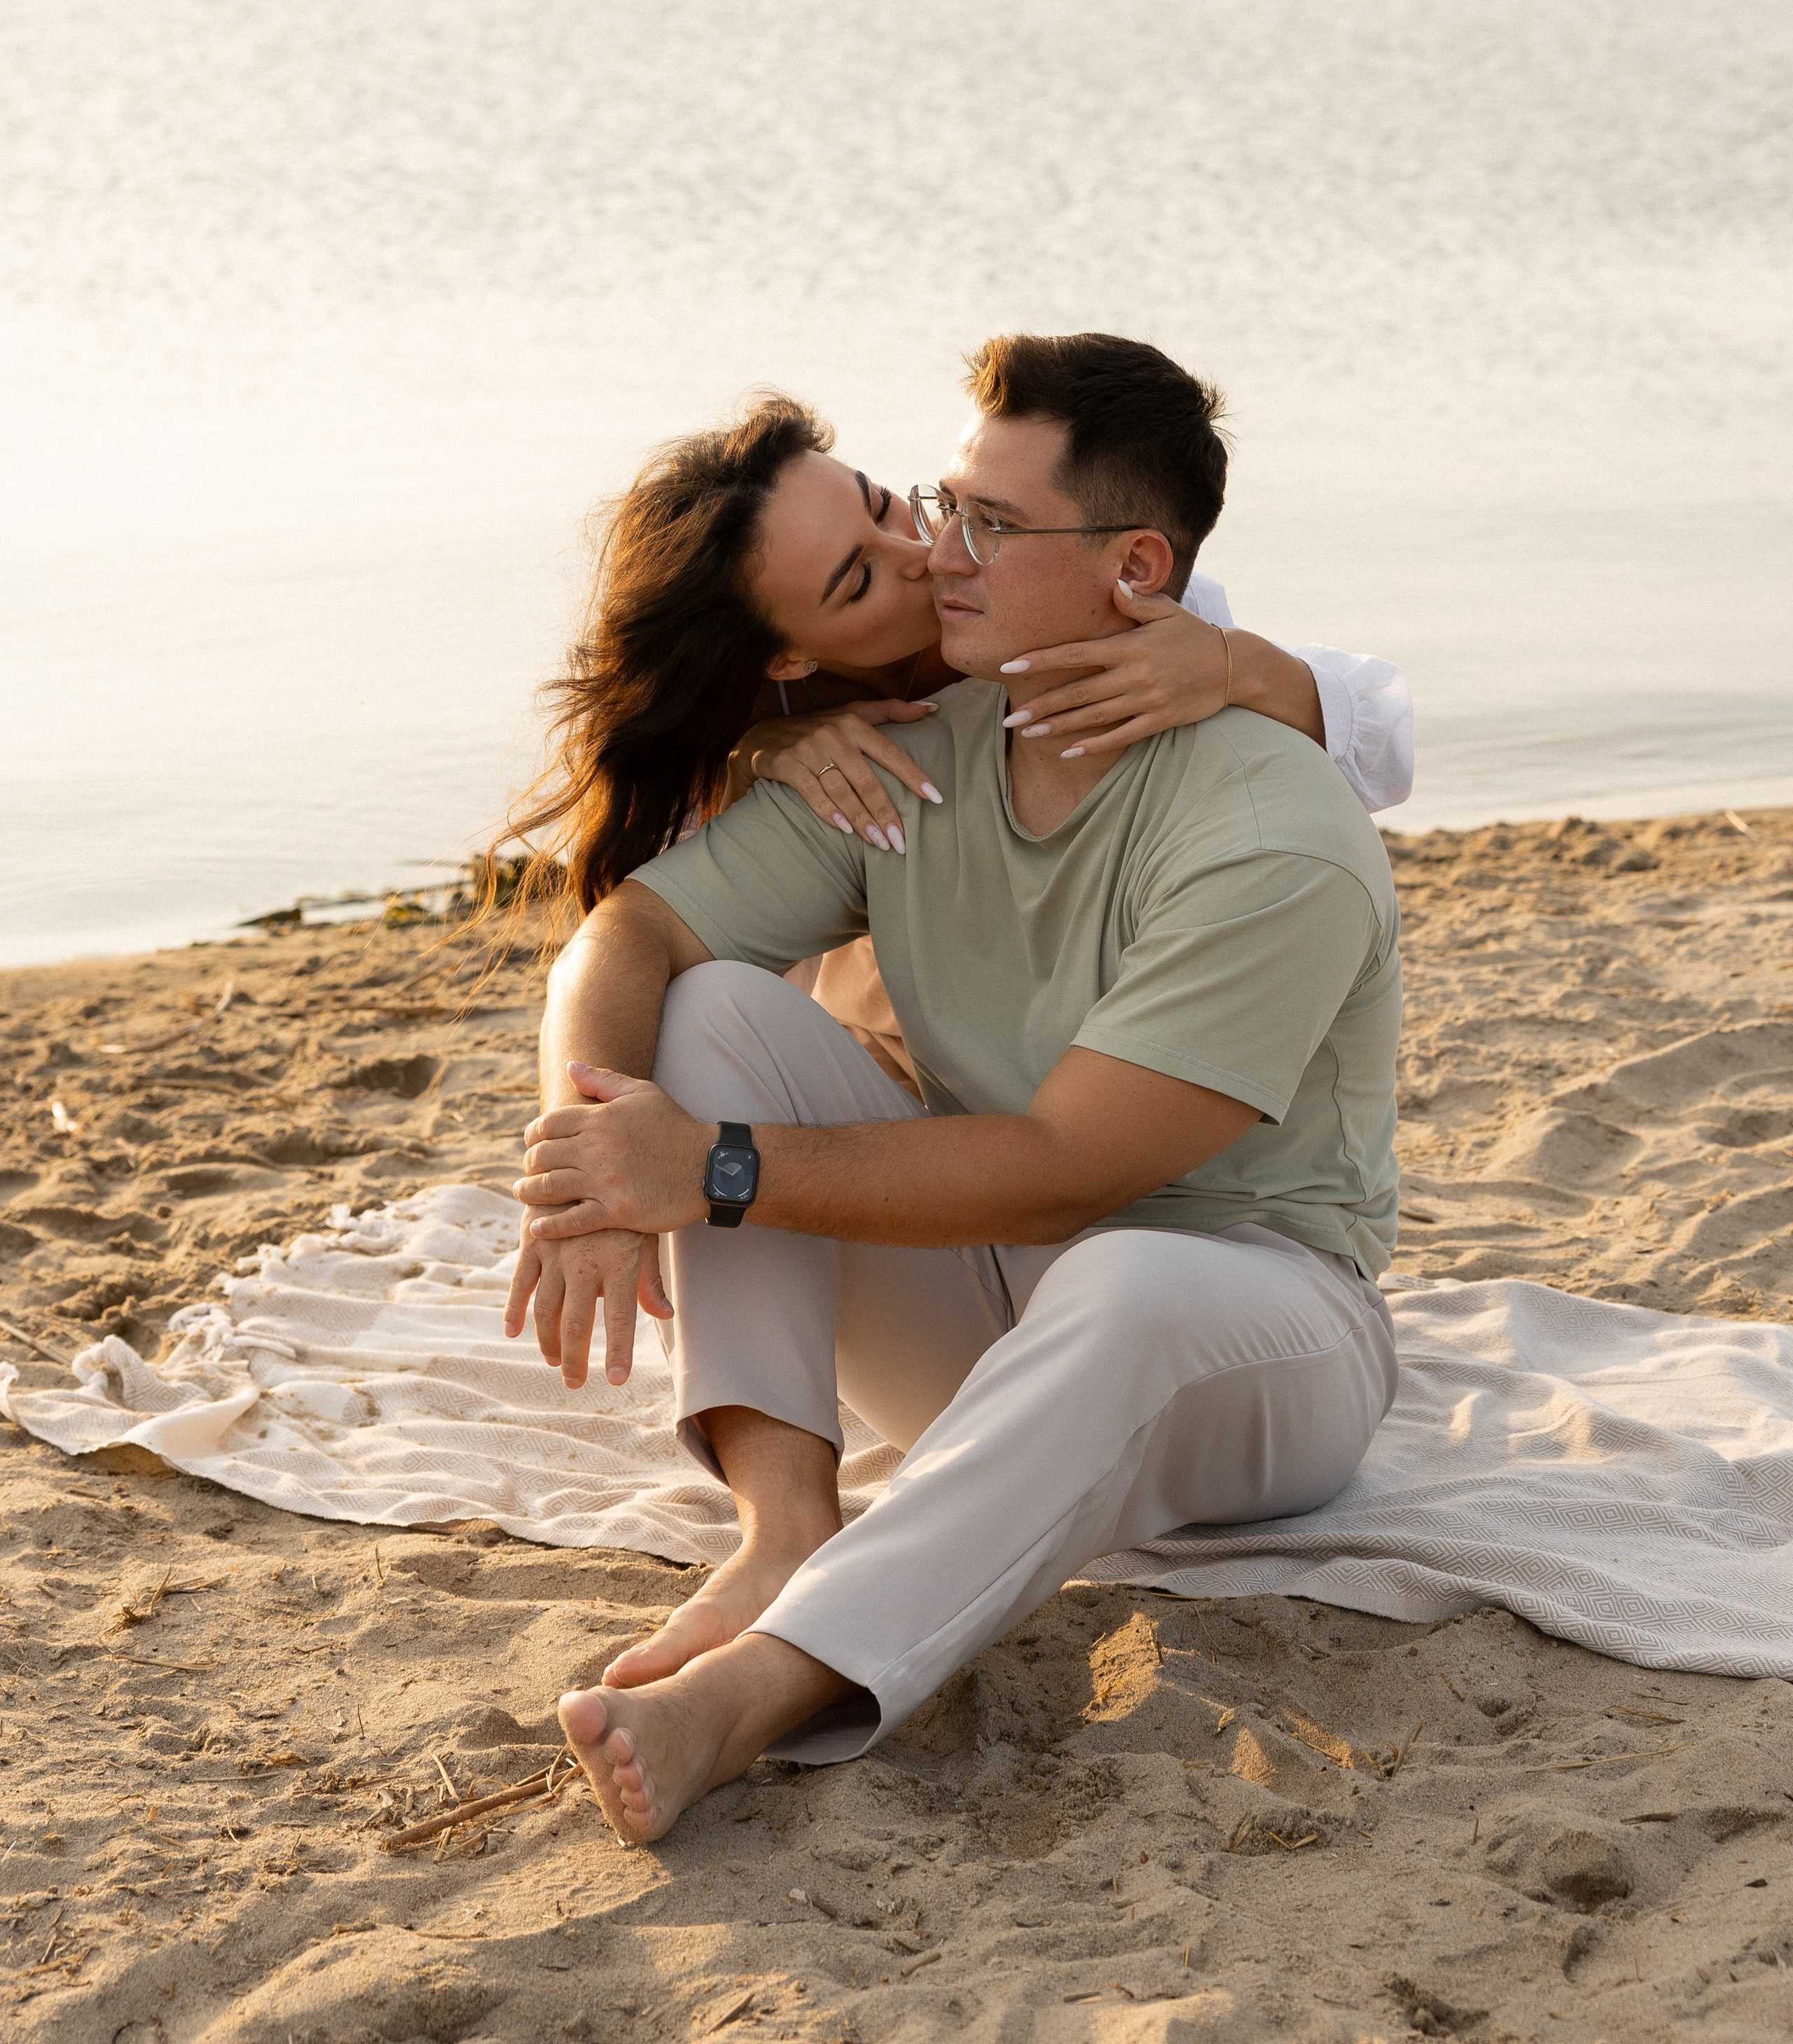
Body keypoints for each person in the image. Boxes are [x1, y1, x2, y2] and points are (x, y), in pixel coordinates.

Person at [506, 333, 1403, 1846]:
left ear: (1132, 571)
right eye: (938, 505)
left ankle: (754, 1697)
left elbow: (1071, 1167)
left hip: (1258, 1336)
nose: (936, 550)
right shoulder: (894, 756)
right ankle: (781, 1523)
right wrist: (592, 1165)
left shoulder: (1270, 821)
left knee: (1120, 1280)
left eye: (984, 524)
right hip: (988, 1305)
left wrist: (708, 1171)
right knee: (717, 1004)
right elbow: (633, 932)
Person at [502, 383, 1411, 1097]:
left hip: (1109, 1072)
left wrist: (1233, 667)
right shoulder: (773, 731)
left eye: (888, 505)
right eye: (860, 579)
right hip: (874, 1088)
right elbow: (638, 945)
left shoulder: (1082, 616)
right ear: (784, 656)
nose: (927, 553)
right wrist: (756, 763)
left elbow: (1379, 742)